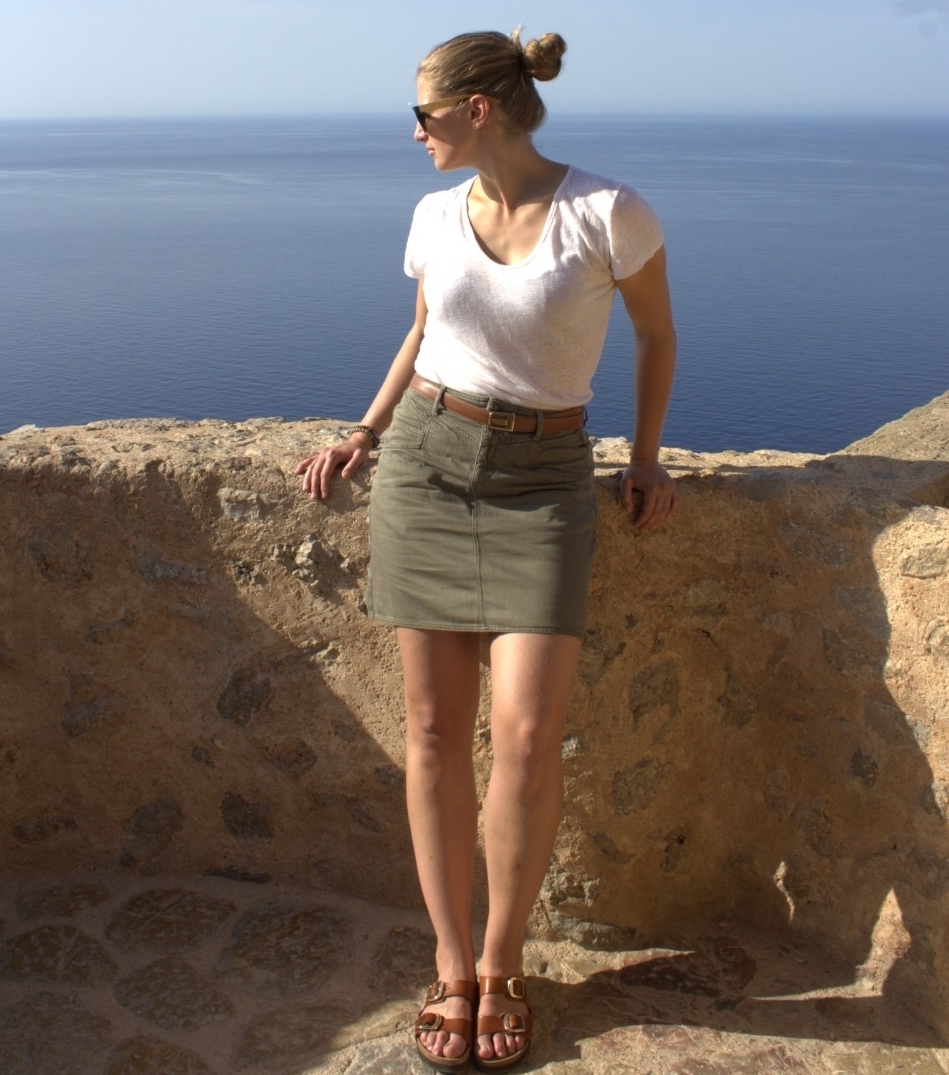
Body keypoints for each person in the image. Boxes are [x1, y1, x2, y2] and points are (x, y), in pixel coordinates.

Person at [295, 28, 677, 1071]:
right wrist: (365, 431)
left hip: (544, 481)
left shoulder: (607, 210)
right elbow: (422, 332)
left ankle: (504, 962)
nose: (412, 134)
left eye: (421, 116)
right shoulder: (432, 214)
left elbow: (656, 334)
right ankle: (451, 964)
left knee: (525, 733)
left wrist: (645, 459)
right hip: (425, 463)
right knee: (430, 729)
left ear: (476, 109)